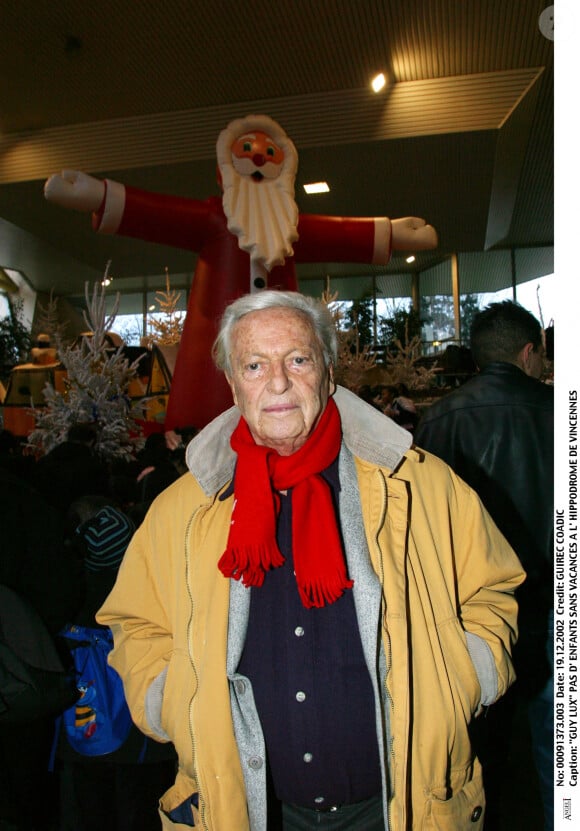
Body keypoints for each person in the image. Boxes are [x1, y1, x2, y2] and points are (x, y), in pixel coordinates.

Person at [98, 290, 524, 831]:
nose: (277, 382)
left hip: (402, 807)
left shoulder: (418, 484)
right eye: (254, 365)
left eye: (297, 359)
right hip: (250, 813)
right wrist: (171, 704)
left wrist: (464, 678)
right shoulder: (181, 512)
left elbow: (492, 590)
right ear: (232, 383)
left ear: (327, 372)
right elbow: (136, 624)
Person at [44, 114, 437, 439]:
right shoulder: (214, 218)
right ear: (225, 170)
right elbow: (159, 214)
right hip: (211, 341)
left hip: (280, 343)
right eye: (247, 151)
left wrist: (392, 231)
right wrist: (100, 196)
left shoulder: (288, 226)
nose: (260, 159)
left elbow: (338, 233)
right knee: (211, 396)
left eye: (269, 152)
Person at [414, 300, 554, 829]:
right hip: (555, 602)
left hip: (473, 609)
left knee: (479, 745)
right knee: (555, 741)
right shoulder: (560, 410)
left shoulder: (439, 420)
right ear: (529, 352)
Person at [55, 497, 176, 831]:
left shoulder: (73, 596)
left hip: (88, 722)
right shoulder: (151, 592)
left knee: (93, 800)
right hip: (140, 731)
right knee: (139, 800)